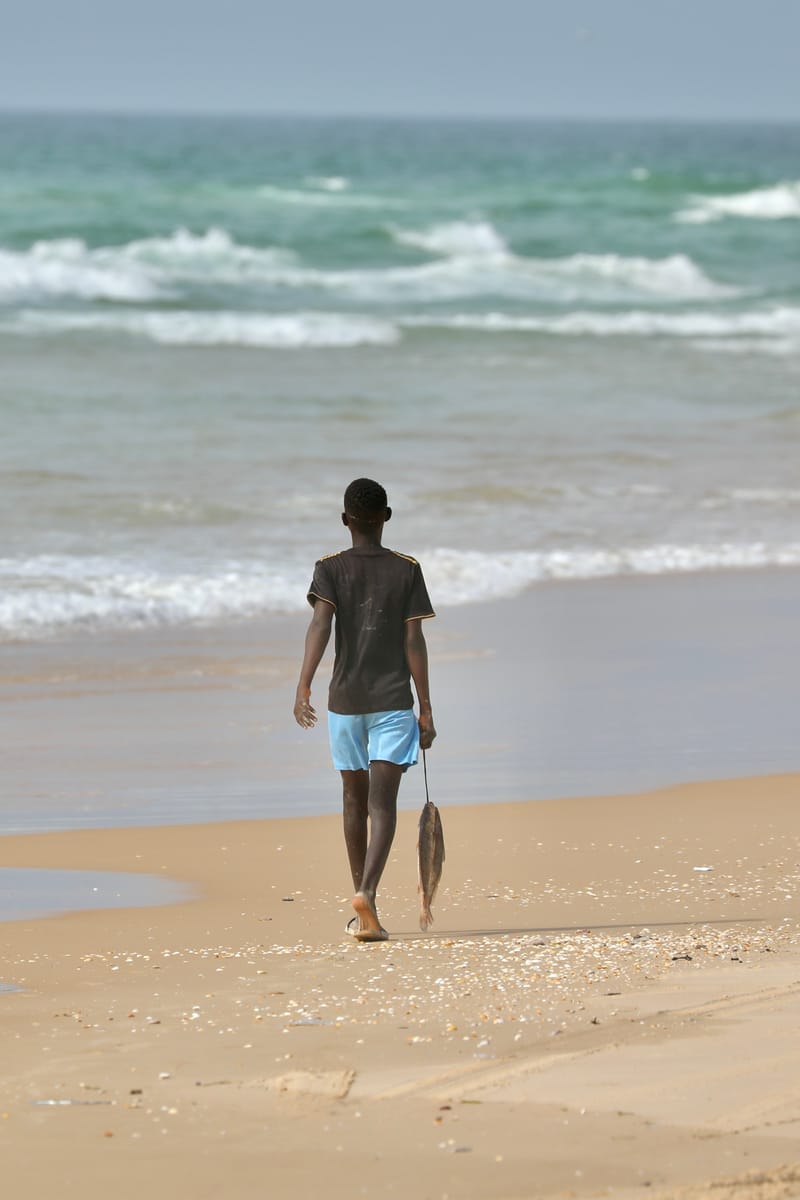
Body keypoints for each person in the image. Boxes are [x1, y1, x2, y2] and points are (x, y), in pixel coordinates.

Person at [293, 478, 436, 942]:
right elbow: (414, 640)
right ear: (387, 517)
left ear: (344, 520)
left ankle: (360, 900)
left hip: (345, 702)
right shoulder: (406, 569)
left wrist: (303, 685)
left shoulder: (329, 568)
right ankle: (368, 894)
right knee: (383, 803)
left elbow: (319, 625)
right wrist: (427, 708)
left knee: (353, 800)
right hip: (393, 700)